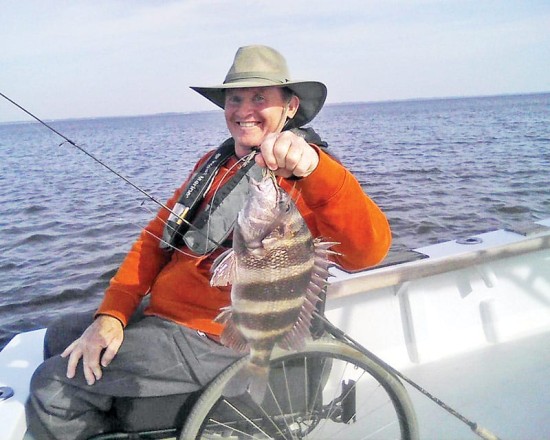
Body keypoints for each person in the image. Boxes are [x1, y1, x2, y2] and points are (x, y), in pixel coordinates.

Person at [26, 45, 391, 439]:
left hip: (214, 335)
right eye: (235, 98)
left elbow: (368, 253)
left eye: (260, 98)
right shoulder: (215, 164)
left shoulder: (307, 173)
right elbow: (154, 241)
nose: (244, 109)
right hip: (167, 315)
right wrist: (112, 314)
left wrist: (317, 168)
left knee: (54, 385)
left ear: (290, 107)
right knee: (60, 336)